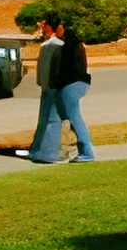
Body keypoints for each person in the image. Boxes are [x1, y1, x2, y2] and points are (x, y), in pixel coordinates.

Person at [23, 16, 66, 163]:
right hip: (56, 86)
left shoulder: (46, 47)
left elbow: (41, 69)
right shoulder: (60, 46)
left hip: (47, 86)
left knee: (44, 119)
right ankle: (49, 153)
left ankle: (37, 149)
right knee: (54, 120)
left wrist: (41, 82)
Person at [50, 27, 95, 162]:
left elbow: (63, 70)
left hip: (70, 85)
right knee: (65, 116)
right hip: (80, 83)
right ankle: (63, 149)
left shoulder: (66, 48)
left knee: (73, 117)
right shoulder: (77, 46)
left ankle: (87, 152)